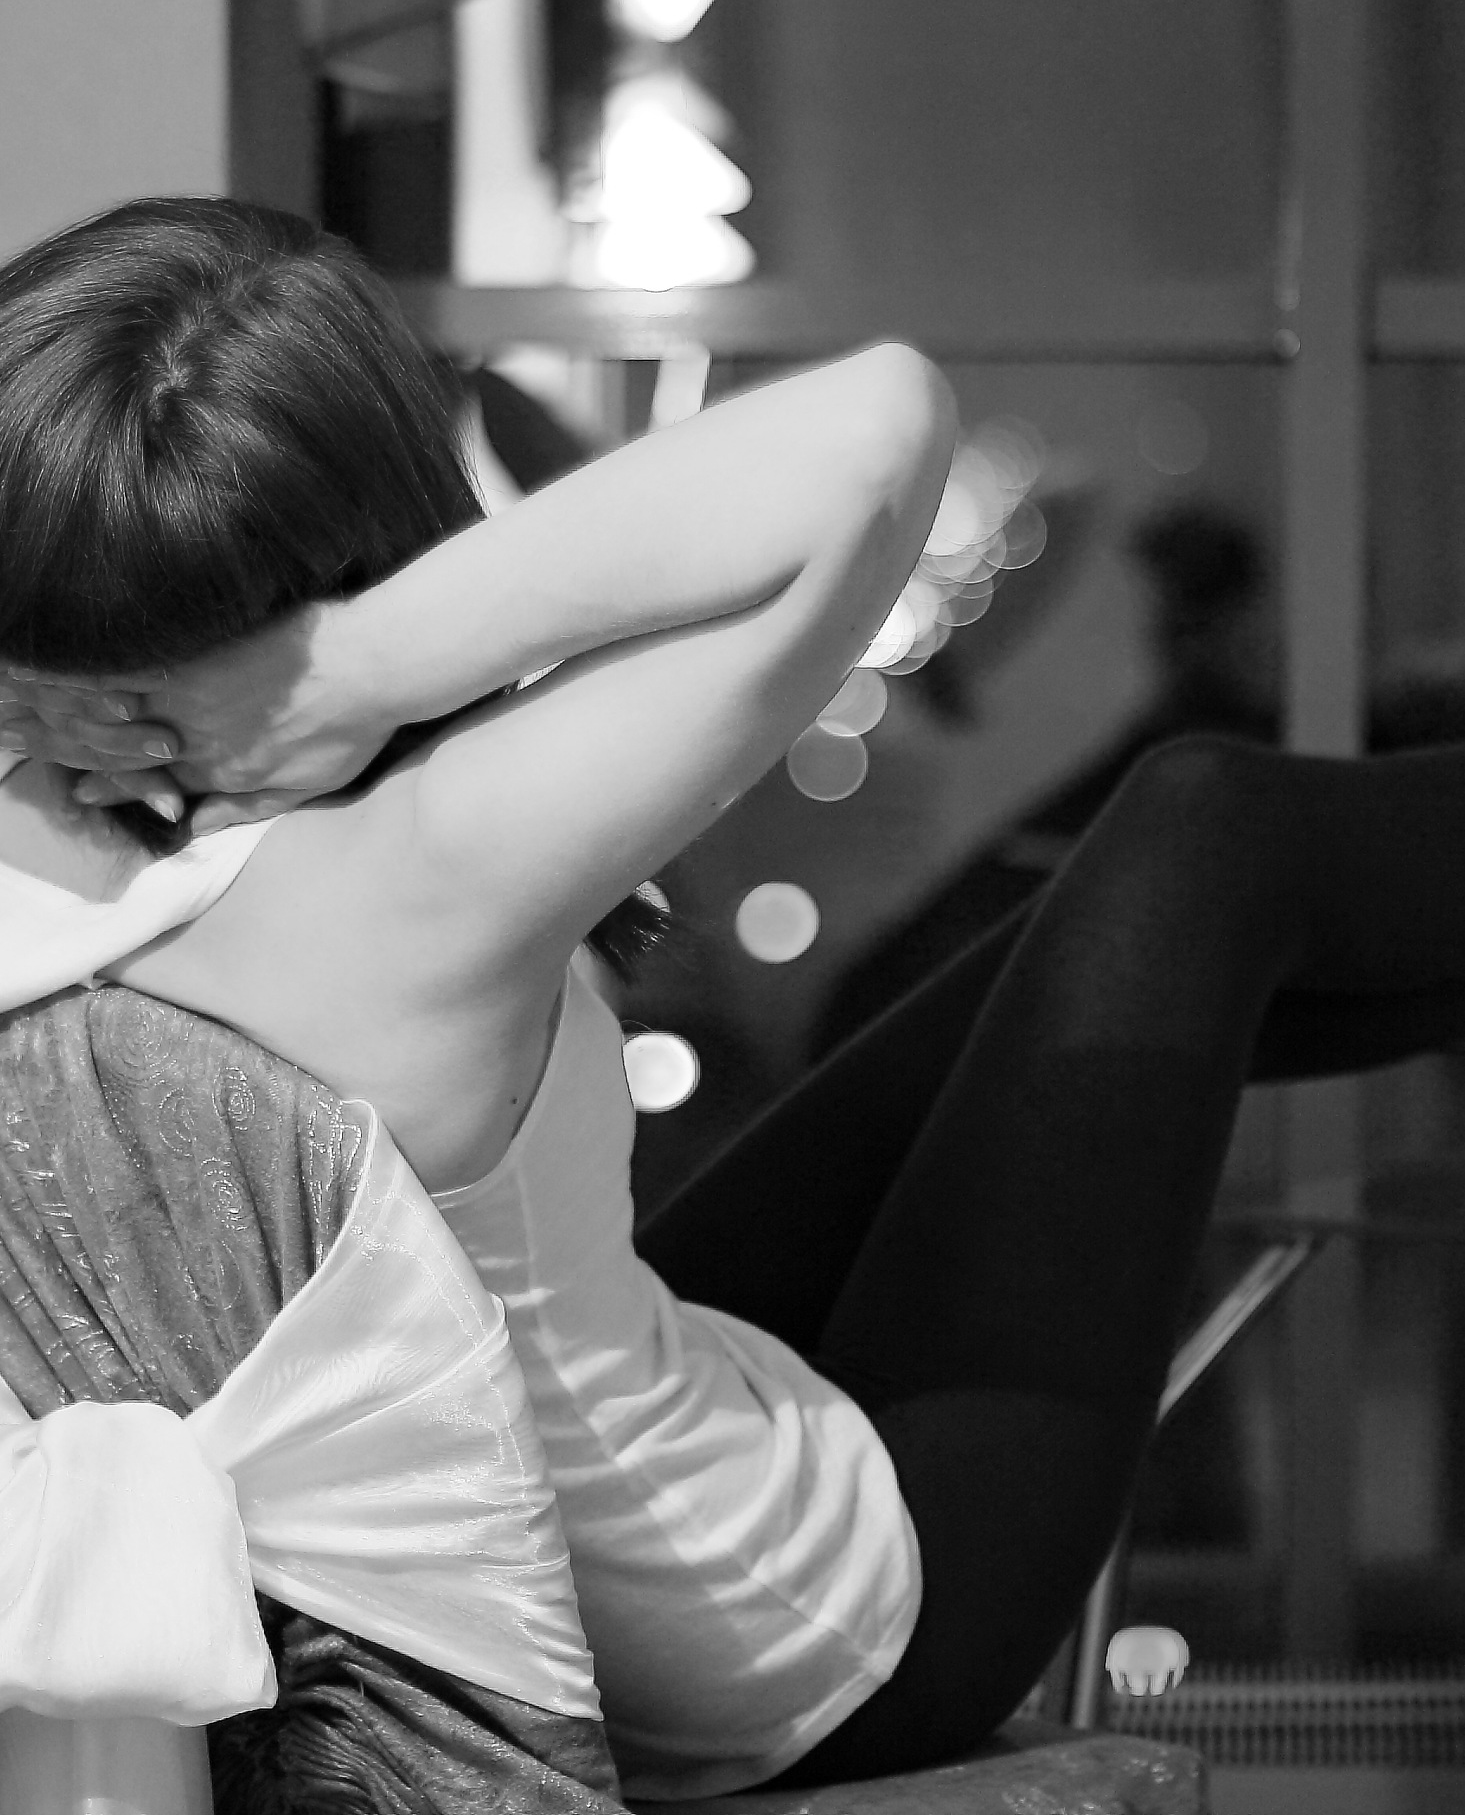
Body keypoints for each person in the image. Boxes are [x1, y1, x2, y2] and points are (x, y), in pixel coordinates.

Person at [6, 198, 1465, 1800]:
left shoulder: (41, 853)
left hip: (559, 1463)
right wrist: (347, 673)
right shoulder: (411, 869)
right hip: (806, 1647)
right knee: (1203, 832)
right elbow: (877, 426)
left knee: (1041, 973)